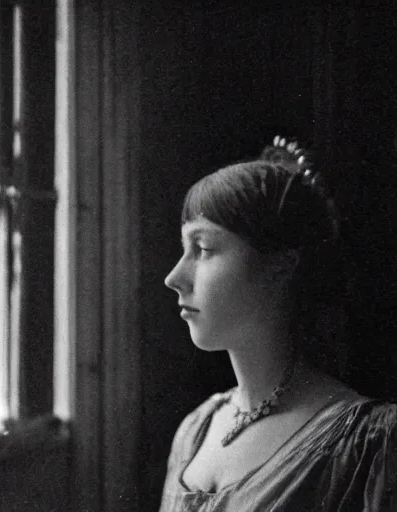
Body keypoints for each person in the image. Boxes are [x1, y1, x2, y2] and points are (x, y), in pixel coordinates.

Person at [158, 137, 397, 511]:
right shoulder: (195, 429)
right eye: (184, 250)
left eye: (203, 250)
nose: (175, 276)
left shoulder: (367, 442)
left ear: (279, 265)